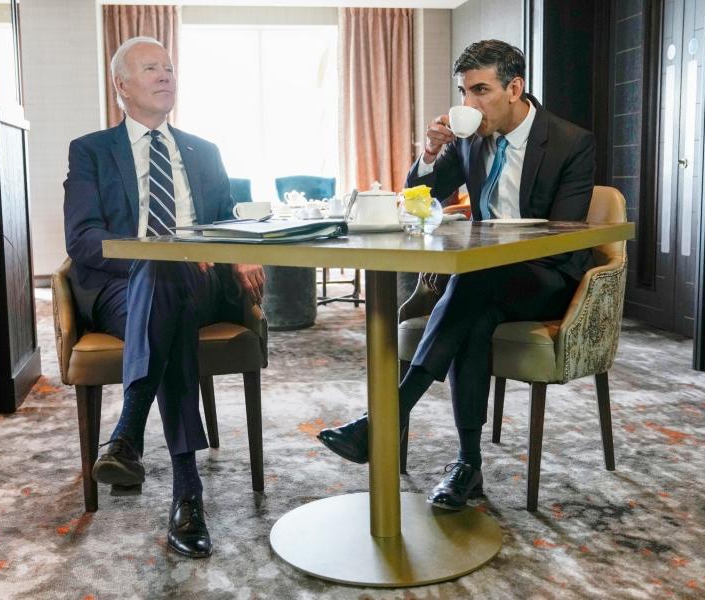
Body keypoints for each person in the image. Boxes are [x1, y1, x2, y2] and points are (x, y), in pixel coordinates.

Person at [317, 39, 595, 510]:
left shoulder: (570, 142)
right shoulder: (470, 138)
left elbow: (561, 235)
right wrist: (429, 151)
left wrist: (494, 247)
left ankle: (387, 417)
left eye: (480, 90)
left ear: (515, 88)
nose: (469, 104)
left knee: (473, 280)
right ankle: (467, 466)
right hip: (483, 282)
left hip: (547, 280)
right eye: (464, 92)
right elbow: (419, 193)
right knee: (475, 312)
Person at [63, 36, 264, 558]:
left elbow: (227, 219)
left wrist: (239, 247)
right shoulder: (90, 151)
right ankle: (186, 493)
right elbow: (81, 238)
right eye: (151, 68)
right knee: (161, 280)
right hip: (120, 288)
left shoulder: (204, 150)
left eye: (170, 67)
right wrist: (154, 255)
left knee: (169, 283)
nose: (165, 75)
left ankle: (128, 433)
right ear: (121, 86)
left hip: (202, 285)